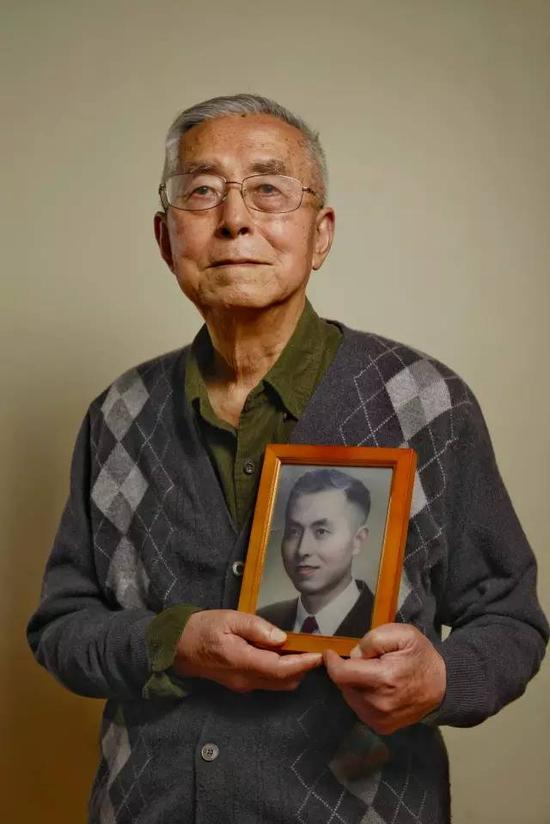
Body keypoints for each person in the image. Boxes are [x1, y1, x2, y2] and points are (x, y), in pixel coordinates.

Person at [27, 93, 548, 824]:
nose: (234, 219)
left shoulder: (425, 403)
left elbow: (510, 620)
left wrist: (440, 677)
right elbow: (61, 626)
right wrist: (176, 644)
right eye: (201, 191)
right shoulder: (118, 413)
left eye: (270, 189)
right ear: (165, 237)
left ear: (320, 232)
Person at [258, 469, 375, 637]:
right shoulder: (262, 620)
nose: (302, 550)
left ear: (358, 540)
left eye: (321, 531)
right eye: (294, 531)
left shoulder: (384, 625)